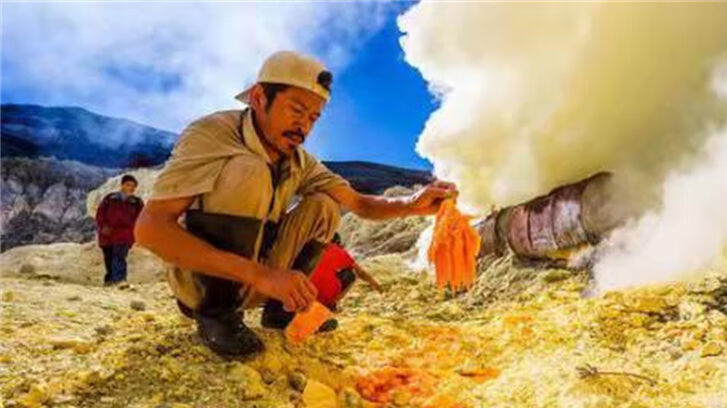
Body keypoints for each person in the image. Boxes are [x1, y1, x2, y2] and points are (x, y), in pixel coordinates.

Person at [135, 51, 456, 358]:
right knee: (249, 170)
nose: (304, 126)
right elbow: (150, 229)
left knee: (325, 205)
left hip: (261, 281)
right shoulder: (213, 135)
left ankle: (283, 310)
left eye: (313, 117)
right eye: (296, 110)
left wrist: (413, 203)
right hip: (202, 283)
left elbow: (359, 204)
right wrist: (260, 274)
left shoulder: (299, 161)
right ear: (260, 98)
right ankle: (217, 314)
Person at [95, 174, 143, 286]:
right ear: (122, 185)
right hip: (107, 234)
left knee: (120, 256)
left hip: (124, 234)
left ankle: (120, 280)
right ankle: (109, 280)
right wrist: (102, 228)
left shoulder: (136, 202)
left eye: (133, 186)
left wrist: (134, 232)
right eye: (128, 185)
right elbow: (100, 214)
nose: (131, 188)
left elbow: (141, 218)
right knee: (109, 257)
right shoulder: (110, 199)